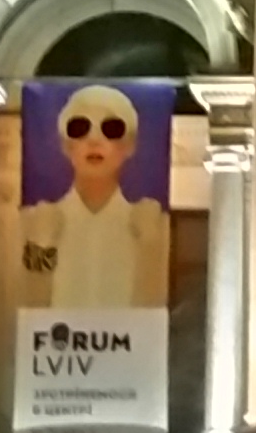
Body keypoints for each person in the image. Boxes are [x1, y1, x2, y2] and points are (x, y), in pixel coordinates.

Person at [17, 84, 172, 312]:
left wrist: (148, 248)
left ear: (129, 145)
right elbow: (30, 312)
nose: (94, 140)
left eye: (111, 129)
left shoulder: (154, 226)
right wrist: (42, 246)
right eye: (80, 128)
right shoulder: (33, 222)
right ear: (66, 145)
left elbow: (150, 317)